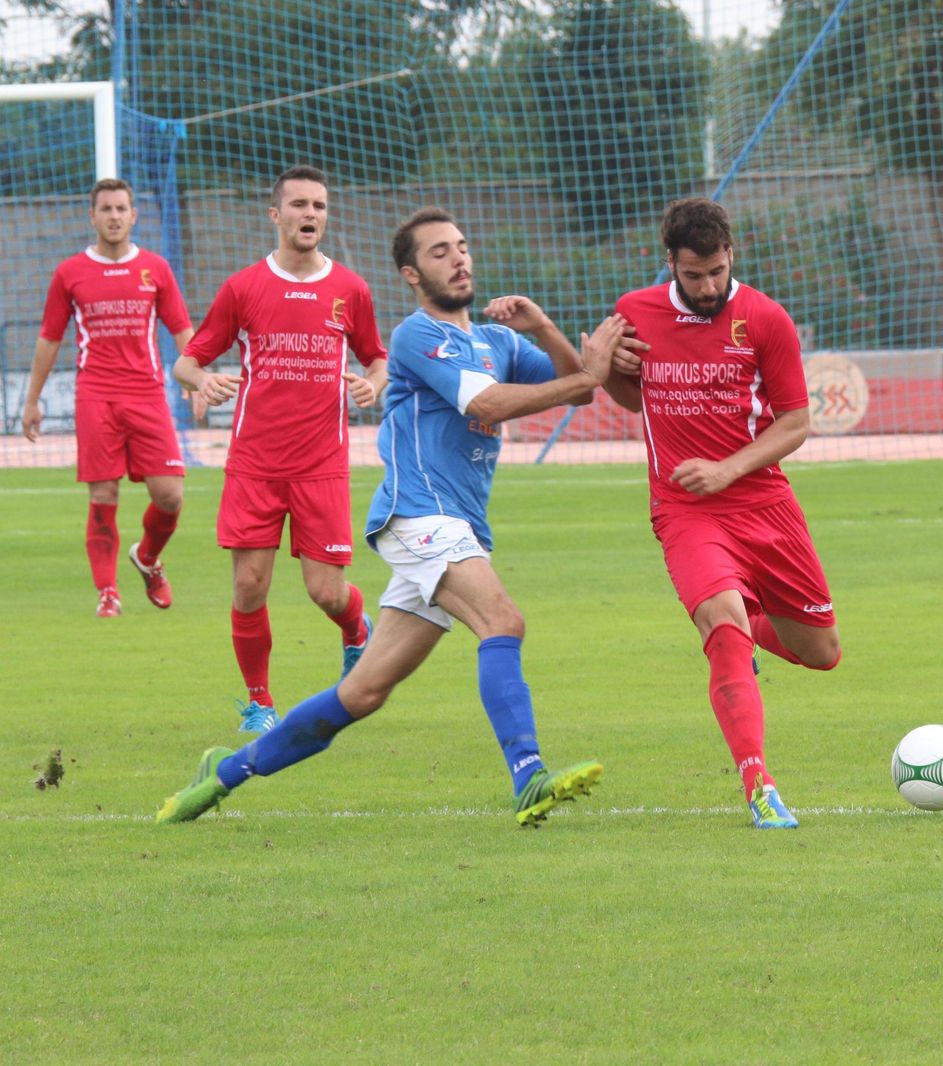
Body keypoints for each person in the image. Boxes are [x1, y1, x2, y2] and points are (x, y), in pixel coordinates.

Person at [157, 206, 630, 827]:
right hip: (418, 516)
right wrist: (587, 373)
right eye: (439, 252)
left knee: (363, 693)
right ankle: (528, 777)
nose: (458, 258)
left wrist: (542, 326)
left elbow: (580, 383)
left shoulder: (498, 342)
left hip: (457, 526)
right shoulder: (415, 335)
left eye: (461, 246)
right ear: (411, 273)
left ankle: (222, 773)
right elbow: (489, 401)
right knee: (502, 621)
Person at [603, 197, 842, 830]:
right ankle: (759, 785)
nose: (707, 287)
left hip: (763, 502)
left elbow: (795, 421)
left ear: (730, 254)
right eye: (693, 275)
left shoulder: (765, 318)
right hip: (683, 508)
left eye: (716, 271)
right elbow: (634, 396)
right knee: (721, 626)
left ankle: (753, 624)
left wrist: (729, 468)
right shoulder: (636, 312)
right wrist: (604, 369)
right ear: (671, 266)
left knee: (821, 652)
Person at [174, 165, 388, 735]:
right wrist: (201, 383)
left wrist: (374, 383)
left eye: (318, 205)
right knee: (249, 586)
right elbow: (187, 361)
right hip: (254, 464)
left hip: (321, 464)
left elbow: (377, 357)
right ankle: (259, 703)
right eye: (298, 205)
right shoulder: (243, 288)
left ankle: (355, 630)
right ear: (276, 215)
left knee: (326, 591)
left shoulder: (351, 289)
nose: (310, 214)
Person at [23, 178, 196, 617]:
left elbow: (181, 329)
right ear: (92, 216)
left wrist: (196, 379)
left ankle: (148, 558)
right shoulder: (70, 273)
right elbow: (49, 338)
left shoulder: (155, 268)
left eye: (121, 208)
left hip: (147, 394)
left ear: (133, 215)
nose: (114, 216)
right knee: (102, 494)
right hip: (95, 395)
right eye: (106, 209)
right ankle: (108, 593)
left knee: (170, 496)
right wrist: (32, 399)